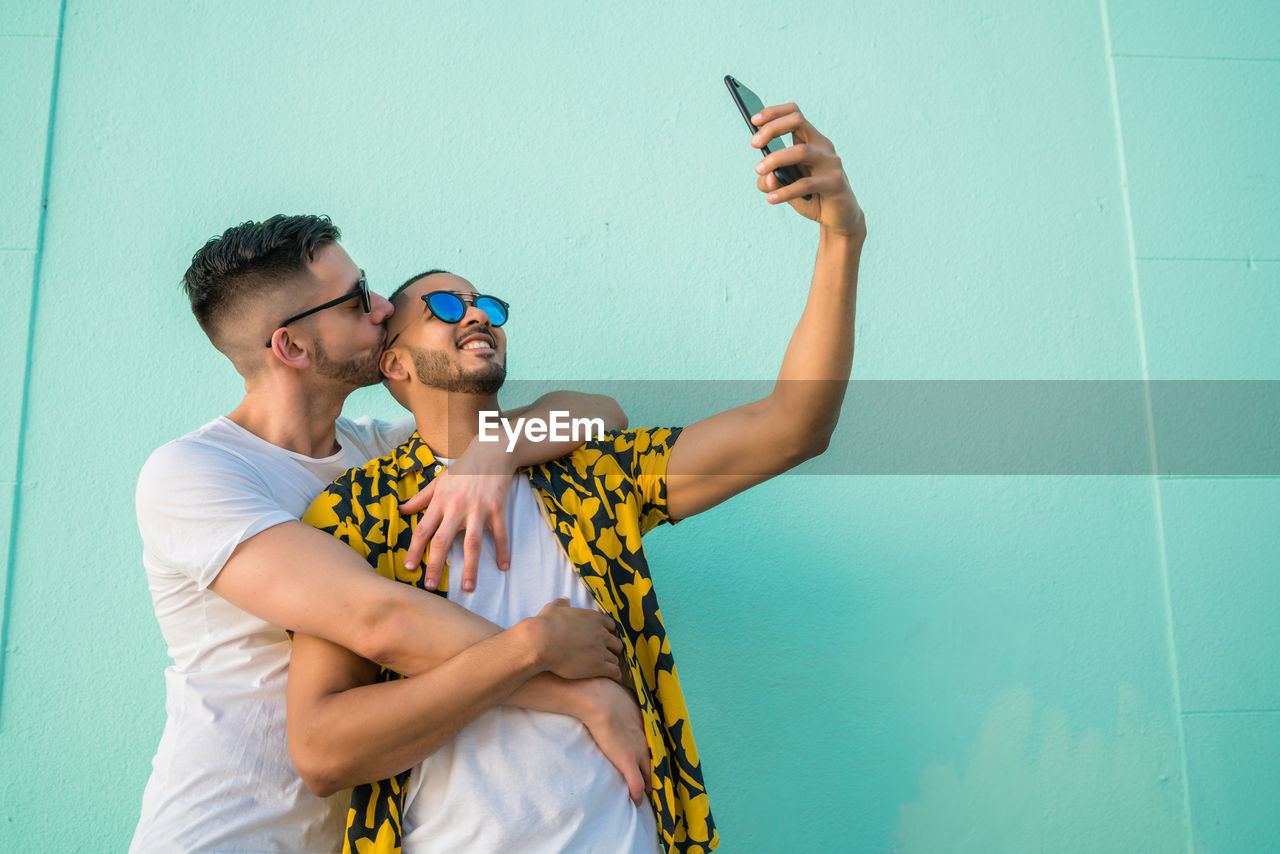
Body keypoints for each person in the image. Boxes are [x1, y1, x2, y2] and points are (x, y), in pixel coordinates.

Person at [288, 101, 867, 854]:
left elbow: (794, 429)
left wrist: (841, 240)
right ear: (392, 364)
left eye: (487, 304)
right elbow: (325, 752)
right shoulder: (359, 513)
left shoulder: (586, 476)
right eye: (444, 304)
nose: (477, 314)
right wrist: (528, 649)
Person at [131, 214, 646, 853]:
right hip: (226, 830)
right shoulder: (196, 474)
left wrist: (498, 449)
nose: (381, 309)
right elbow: (377, 618)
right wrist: (578, 692)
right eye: (356, 300)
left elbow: (597, 415)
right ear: (290, 347)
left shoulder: (377, 454)